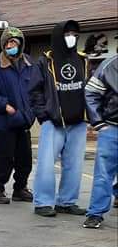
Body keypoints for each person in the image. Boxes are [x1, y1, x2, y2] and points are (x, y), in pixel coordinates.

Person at [29, 20, 89, 217]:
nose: (72, 37)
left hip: (78, 121)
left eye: (74, 34)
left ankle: (66, 201)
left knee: (75, 164)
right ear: (57, 36)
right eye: (67, 33)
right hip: (54, 121)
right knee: (46, 164)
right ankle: (43, 202)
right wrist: (44, 115)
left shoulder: (83, 59)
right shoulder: (45, 61)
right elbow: (34, 90)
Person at [0, 27, 37, 205]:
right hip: (5, 121)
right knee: (4, 158)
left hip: (24, 120)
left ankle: (20, 188)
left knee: (25, 159)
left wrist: (32, 110)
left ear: (21, 44)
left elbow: (36, 89)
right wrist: (5, 106)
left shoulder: (29, 63)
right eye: (8, 43)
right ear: (3, 44)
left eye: (15, 43)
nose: (11, 46)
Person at [83, 55, 118, 229]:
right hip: (111, 127)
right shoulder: (109, 65)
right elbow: (91, 92)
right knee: (103, 174)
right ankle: (95, 213)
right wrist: (98, 122)